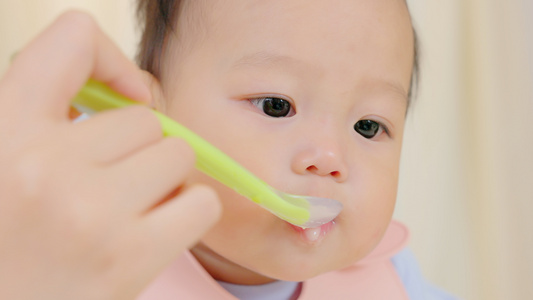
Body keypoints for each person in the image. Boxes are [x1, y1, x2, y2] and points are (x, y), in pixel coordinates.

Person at [0, 0, 458, 299]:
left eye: (368, 125)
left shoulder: (392, 278)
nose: (330, 159)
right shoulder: (100, 264)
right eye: (277, 106)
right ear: (153, 107)